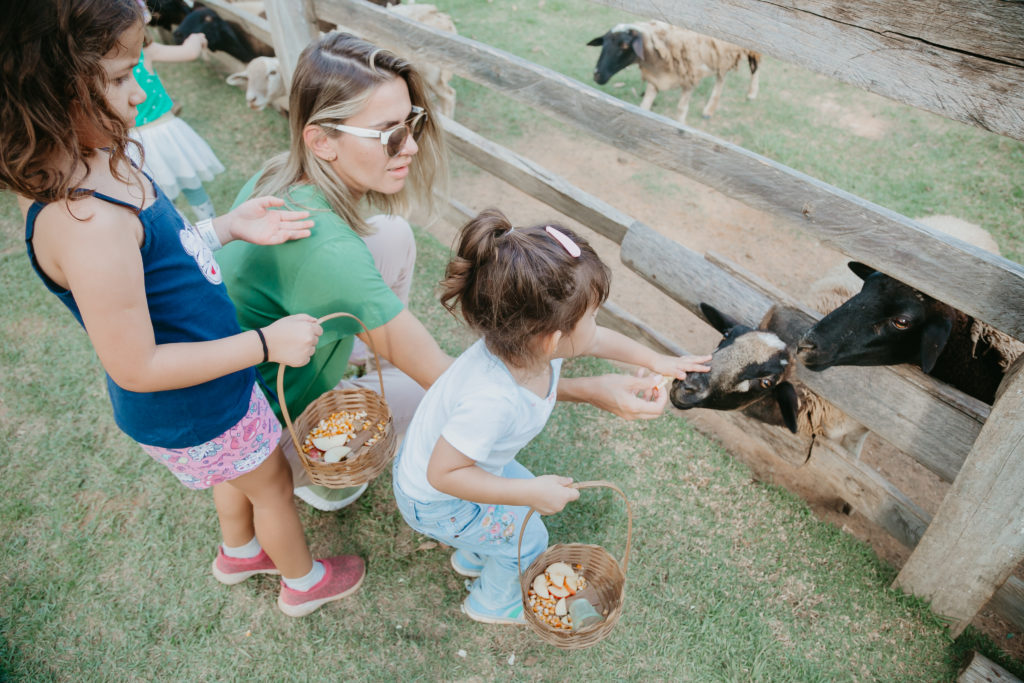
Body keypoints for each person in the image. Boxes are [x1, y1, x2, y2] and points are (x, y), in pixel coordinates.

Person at [217, 32, 700, 514]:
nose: (409, 146)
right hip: (270, 431)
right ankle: (308, 464)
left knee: (390, 233)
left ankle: (372, 364)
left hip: (242, 390)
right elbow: (454, 384)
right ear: (322, 140)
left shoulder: (280, 174)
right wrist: (586, 391)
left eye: (413, 123)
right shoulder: (332, 256)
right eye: (389, 134)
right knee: (449, 396)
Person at [0, 0, 363, 617]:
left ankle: (239, 550)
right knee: (270, 481)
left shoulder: (99, 160)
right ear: (47, 86)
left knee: (237, 471)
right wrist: (266, 346)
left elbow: (163, 259)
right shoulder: (86, 223)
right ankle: (304, 583)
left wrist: (226, 226)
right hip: (193, 398)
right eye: (118, 78)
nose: (139, 94)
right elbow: (136, 366)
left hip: (211, 385)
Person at [391, 209, 711, 624]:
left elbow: (597, 342)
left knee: (520, 511)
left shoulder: (526, 346)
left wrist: (657, 360)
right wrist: (530, 493)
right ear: (553, 339)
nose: (597, 326)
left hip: (459, 476)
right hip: (436, 500)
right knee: (530, 538)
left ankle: (476, 550)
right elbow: (444, 474)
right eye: (592, 316)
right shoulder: (492, 399)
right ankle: (491, 603)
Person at [130, 1, 225, 221]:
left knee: (158, 197)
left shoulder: (101, 64)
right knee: (192, 186)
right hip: (166, 133)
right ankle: (210, 229)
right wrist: (196, 38)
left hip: (133, 144)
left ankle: (178, 236)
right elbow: (188, 53)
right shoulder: (145, 51)